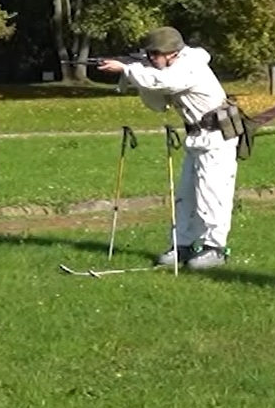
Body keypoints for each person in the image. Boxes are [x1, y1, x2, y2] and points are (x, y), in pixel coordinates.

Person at [99, 27, 244, 270]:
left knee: (213, 194)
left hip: (218, 136)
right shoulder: (169, 68)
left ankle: (215, 247)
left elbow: (165, 82)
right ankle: (183, 245)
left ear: (172, 53)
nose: (152, 59)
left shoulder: (190, 66)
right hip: (196, 137)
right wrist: (137, 74)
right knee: (185, 195)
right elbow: (158, 104)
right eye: (149, 54)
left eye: (155, 54)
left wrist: (127, 69)